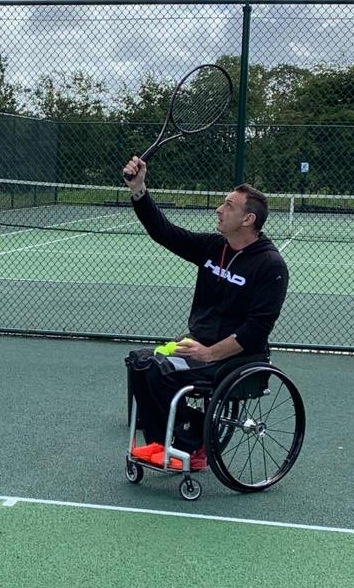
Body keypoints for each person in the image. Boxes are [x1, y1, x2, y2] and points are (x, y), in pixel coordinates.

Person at [122, 155, 289, 470]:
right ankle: (168, 442)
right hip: (198, 344)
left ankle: (192, 442)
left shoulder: (270, 266)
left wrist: (210, 353)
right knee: (141, 362)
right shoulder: (215, 248)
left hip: (238, 358)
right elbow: (164, 232)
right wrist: (139, 189)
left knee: (162, 371)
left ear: (248, 219)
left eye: (228, 205)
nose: (219, 209)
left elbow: (256, 329)